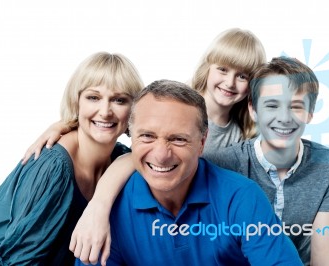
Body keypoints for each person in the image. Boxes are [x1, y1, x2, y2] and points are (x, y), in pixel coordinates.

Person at [20, 28, 267, 264]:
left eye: (242, 75)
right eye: (223, 69)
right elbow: (135, 155)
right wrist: (98, 205)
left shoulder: (244, 132)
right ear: (207, 68)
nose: (230, 82)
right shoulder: (176, 104)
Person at [76, 79, 302, 265]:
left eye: (178, 139)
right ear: (131, 136)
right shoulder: (109, 211)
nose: (161, 154)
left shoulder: (241, 198)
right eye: (147, 136)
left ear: (202, 142)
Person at [0, 52, 143, 265]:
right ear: (76, 101)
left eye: (119, 100)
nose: (105, 111)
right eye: (93, 97)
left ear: (134, 110)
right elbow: (20, 260)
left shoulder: (119, 159)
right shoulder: (53, 166)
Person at [203, 57, 329, 265]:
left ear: (310, 113)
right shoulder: (223, 163)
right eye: (272, 105)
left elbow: (323, 256)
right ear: (253, 110)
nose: (284, 118)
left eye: (296, 107)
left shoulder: (327, 163)